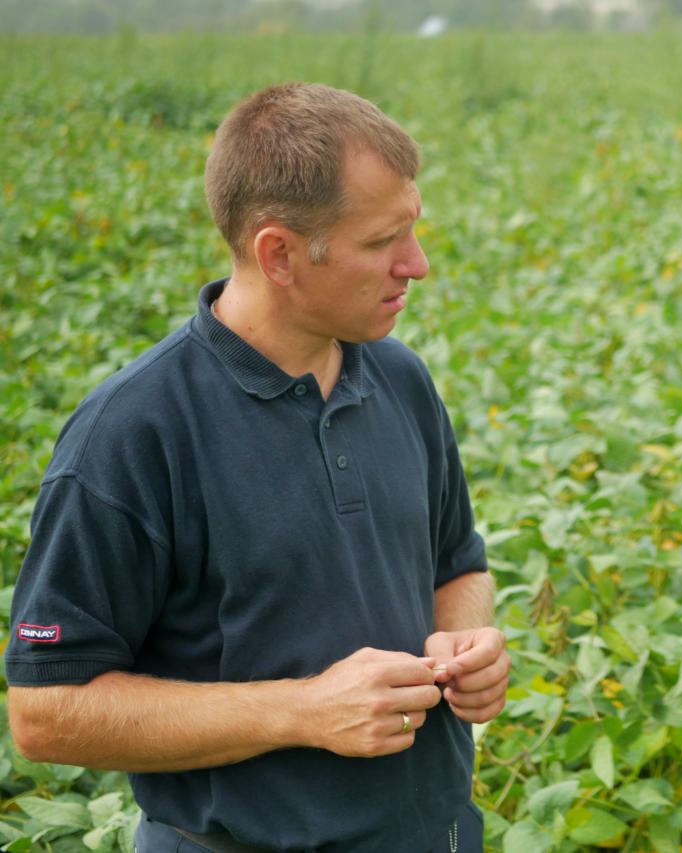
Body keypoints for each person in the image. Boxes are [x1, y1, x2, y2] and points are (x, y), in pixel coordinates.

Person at [5, 83, 508, 853]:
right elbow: (47, 711)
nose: (418, 264)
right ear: (278, 254)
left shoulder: (400, 377)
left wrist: (465, 641)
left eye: (413, 229)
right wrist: (304, 709)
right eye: (382, 241)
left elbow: (457, 564)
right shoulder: (135, 432)